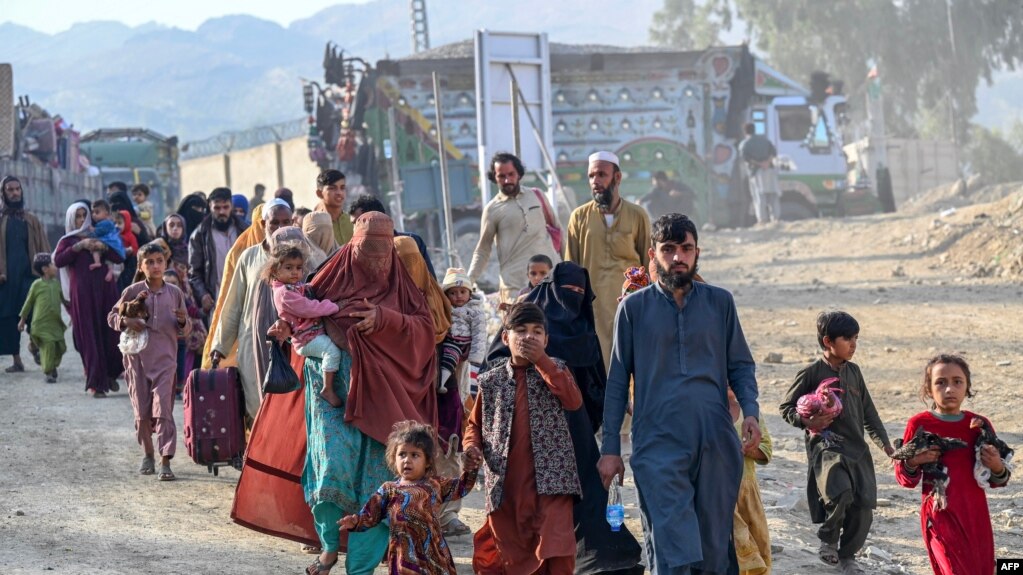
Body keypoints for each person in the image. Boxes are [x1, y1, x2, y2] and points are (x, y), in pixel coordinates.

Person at [598, 212, 761, 575]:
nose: (677, 257)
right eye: (668, 249)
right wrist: (610, 448)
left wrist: (750, 411)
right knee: (672, 547)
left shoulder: (720, 303)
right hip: (657, 442)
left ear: (697, 252)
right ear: (653, 254)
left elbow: (740, 365)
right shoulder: (633, 309)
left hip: (715, 439)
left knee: (713, 548)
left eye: (685, 248)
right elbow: (616, 383)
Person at [299, 211, 439, 575]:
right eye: (367, 249)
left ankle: (359, 568)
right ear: (352, 246)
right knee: (332, 471)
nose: (375, 260)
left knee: (378, 490)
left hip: (385, 400)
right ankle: (330, 546)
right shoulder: (330, 277)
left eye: (383, 250)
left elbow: (425, 333)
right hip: (333, 396)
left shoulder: (403, 287)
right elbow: (300, 314)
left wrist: (384, 319)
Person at [486, 264, 644, 574]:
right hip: (526, 425)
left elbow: (596, 376)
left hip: (575, 424)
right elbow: (496, 365)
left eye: (579, 294)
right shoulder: (528, 322)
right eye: (567, 292)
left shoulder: (584, 327)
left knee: (585, 492)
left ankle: (602, 558)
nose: (572, 299)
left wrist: (596, 412)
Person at [465, 302, 582, 574]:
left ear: (546, 339)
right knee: (513, 554)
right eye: (521, 330)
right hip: (507, 485)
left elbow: (573, 401)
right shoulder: (490, 380)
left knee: (556, 548)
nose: (529, 337)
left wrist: (543, 360)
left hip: (553, 481)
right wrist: (471, 448)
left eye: (537, 331)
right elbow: (474, 424)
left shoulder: (557, 370)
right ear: (506, 338)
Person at [779, 311, 893, 575]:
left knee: (863, 506)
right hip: (827, 448)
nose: (853, 345)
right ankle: (828, 539)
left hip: (857, 449)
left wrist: (884, 444)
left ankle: (848, 555)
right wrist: (808, 423)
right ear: (828, 341)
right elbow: (786, 408)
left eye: (856, 338)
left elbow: (869, 413)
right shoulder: (811, 372)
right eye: (847, 339)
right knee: (839, 491)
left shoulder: (854, 372)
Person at [894, 354, 1010, 575]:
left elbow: (999, 479)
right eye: (941, 382)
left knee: (982, 570)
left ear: (967, 387)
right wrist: (914, 460)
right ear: (929, 389)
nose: (949, 389)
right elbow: (904, 477)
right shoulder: (919, 424)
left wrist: (996, 465)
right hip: (940, 513)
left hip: (976, 515)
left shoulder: (978, 424)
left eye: (957, 382)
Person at [337, 421, 480, 575]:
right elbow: (371, 515)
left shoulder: (435, 485)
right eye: (402, 454)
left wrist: (470, 469)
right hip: (403, 559)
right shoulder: (388, 489)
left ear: (428, 462)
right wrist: (355, 522)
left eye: (415, 455)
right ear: (394, 458)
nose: (407, 460)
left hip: (433, 557)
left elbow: (462, 487)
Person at [109, 242, 190, 481]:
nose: (155, 266)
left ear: (166, 264)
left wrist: (184, 321)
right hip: (136, 361)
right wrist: (126, 322)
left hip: (165, 360)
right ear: (141, 266)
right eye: (150, 262)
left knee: (163, 410)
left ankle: (166, 460)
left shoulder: (175, 294)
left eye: (159, 261)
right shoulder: (132, 291)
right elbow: (112, 316)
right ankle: (148, 454)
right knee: (142, 412)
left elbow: (185, 330)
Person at [565, 151, 650, 372]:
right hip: (593, 307)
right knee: (598, 365)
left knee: (633, 362)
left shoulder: (638, 215)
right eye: (592, 176)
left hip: (630, 305)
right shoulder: (578, 217)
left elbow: (649, 263)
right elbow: (570, 268)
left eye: (602, 174)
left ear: (618, 178)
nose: (596, 181)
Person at [208, 200, 292, 420]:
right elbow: (233, 304)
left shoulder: (302, 257)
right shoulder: (248, 257)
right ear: (263, 223)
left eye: (286, 222)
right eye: (275, 222)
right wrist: (220, 346)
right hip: (252, 343)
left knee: (290, 407)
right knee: (257, 403)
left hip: (291, 343)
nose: (280, 227)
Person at [468, 152, 562, 302]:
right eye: (501, 176)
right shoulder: (492, 209)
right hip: (516, 288)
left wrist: (566, 268)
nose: (507, 180)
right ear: (494, 178)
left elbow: (557, 230)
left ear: (519, 173)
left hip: (550, 282)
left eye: (511, 174)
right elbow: (483, 249)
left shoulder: (537, 196)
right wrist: (468, 280)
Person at [53, 202, 124, 397]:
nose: (82, 219)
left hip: (106, 292)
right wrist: (79, 246)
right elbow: (58, 260)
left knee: (111, 334)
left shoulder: (100, 234)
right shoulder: (68, 241)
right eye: (78, 216)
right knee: (89, 337)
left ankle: (110, 373)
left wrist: (103, 246)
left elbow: (119, 256)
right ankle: (97, 383)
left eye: (85, 215)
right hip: (83, 295)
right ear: (70, 219)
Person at [267, 241, 343, 407]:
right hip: (307, 340)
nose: (295, 272)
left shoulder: (292, 287)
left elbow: (307, 290)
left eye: (299, 267)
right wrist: (333, 307)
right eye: (289, 267)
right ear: (275, 270)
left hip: (312, 335)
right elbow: (308, 308)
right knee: (333, 352)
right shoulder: (284, 294)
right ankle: (328, 389)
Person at [1, 175, 51, 373]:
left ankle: (35, 346)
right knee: (8, 318)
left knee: (34, 316)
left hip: (29, 276)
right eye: (10, 189)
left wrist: (46, 271)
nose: (14, 193)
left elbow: (43, 248)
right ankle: (16, 360)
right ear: (3, 193)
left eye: (17, 189)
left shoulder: (31, 220)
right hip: (6, 279)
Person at [727, 389, 773, 575]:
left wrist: (746, 448)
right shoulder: (707, 411)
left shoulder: (750, 415)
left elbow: (766, 450)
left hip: (746, 491)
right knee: (735, 545)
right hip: (719, 492)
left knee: (757, 541)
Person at [188, 187, 249, 321]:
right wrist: (203, 294)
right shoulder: (199, 235)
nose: (222, 212)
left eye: (225, 207)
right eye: (217, 208)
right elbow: (194, 273)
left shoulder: (244, 231)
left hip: (245, 301)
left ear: (231, 206)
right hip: (217, 302)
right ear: (210, 207)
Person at [348, 194, 435, 278]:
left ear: (376, 220)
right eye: (353, 224)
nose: (355, 229)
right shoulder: (353, 253)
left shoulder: (413, 242)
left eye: (358, 223)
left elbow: (430, 281)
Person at [17, 254, 66, 383]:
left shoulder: (56, 284)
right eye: (53, 265)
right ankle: (48, 371)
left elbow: (64, 300)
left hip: (55, 323)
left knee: (61, 347)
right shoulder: (36, 285)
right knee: (48, 345)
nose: (56, 267)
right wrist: (22, 320)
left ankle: (50, 363)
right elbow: (28, 303)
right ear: (45, 269)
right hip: (41, 323)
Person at [438, 268, 487, 395]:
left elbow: (479, 335)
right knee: (448, 359)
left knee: (471, 375)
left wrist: (475, 357)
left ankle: (473, 392)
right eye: (453, 293)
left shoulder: (476, 310)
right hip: (451, 343)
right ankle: (442, 383)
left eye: (462, 291)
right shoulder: (445, 309)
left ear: (470, 293)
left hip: (467, 346)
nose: (458, 296)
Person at [738, 123, 781, 224]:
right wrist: (767, 162)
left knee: (759, 196)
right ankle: (776, 218)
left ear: (745, 131)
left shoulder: (744, 144)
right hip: (770, 170)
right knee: (773, 195)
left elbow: (745, 158)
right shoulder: (765, 140)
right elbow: (774, 152)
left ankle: (762, 220)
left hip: (756, 172)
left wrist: (760, 164)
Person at [314, 169, 354, 248]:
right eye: (332, 188)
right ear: (319, 193)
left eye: (342, 188)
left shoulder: (352, 222)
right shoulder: (315, 224)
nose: (339, 193)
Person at [88, 200, 126, 282]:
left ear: (106, 213)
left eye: (97, 212)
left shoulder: (105, 223)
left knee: (95, 246)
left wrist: (91, 231)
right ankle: (110, 271)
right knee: (108, 259)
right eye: (93, 212)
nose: (94, 215)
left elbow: (98, 233)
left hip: (112, 246)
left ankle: (97, 262)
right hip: (113, 247)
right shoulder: (107, 223)